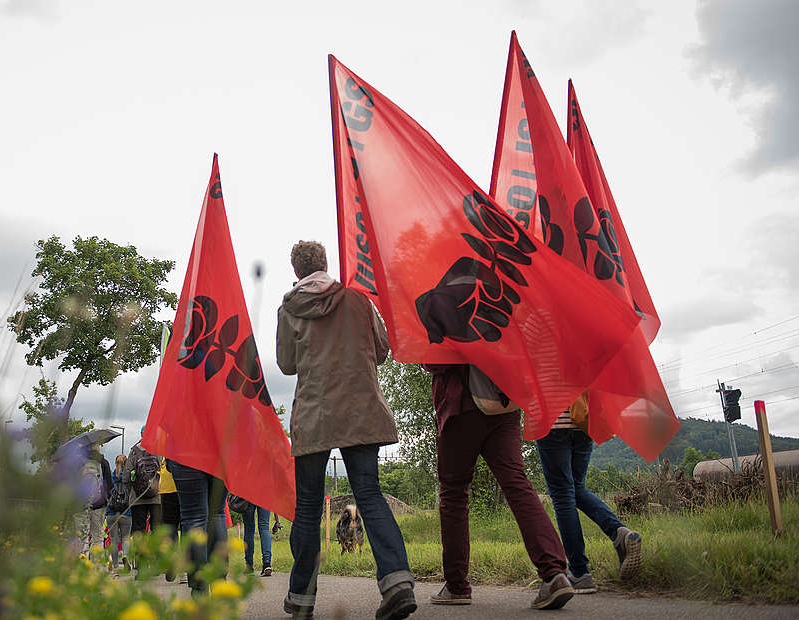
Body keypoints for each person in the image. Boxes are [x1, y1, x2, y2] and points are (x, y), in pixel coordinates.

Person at [276, 240, 416, 620]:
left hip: (314, 413)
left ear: (296, 271)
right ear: (325, 263)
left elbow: (287, 364)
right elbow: (383, 349)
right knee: (369, 494)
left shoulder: (289, 309)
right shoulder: (358, 300)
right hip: (361, 409)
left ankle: (302, 599)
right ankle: (397, 582)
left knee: (307, 505)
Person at [425, 364, 573, 610]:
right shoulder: (512, 320)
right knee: (517, 483)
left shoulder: (449, 321)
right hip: (504, 401)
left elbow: (434, 362)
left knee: (453, 494)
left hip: (461, 404)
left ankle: (457, 585)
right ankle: (554, 573)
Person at [535, 399, 643, 592]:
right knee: (576, 488)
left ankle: (579, 572)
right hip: (584, 419)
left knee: (563, 495)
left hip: (553, 420)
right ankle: (619, 533)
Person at [166, 458, 228, 593]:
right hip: (219, 450)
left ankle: (199, 591)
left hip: (183, 452)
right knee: (217, 513)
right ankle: (220, 587)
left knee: (194, 518)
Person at [74, 441, 113, 561]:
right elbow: (110, 485)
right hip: (99, 504)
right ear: (97, 447)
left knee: (82, 537)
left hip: (80, 505)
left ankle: (82, 565)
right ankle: (97, 566)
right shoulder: (103, 462)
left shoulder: (78, 462)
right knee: (98, 536)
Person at [125, 429, 162, 537]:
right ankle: (156, 553)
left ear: (141, 434)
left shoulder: (134, 450)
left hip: (138, 497)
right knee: (157, 529)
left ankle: (139, 553)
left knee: (138, 529)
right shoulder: (158, 449)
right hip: (156, 496)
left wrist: (131, 489)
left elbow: (126, 475)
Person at [158, 457, 185, 582]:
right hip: (184, 484)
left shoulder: (165, 440)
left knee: (170, 529)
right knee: (186, 527)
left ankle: (172, 560)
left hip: (167, 486)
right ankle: (184, 570)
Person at [106, 454, 133, 575]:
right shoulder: (128, 477)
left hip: (111, 512)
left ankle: (115, 567)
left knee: (114, 540)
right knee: (125, 538)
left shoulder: (111, 476)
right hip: (126, 512)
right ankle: (125, 555)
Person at [242, 500, 272, 576]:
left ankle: (249, 566)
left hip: (248, 494)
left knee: (248, 529)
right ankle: (267, 563)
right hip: (265, 493)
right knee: (264, 527)